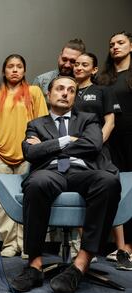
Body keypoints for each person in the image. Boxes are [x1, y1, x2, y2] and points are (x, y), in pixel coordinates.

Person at [11, 76, 122, 293]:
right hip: (51, 172)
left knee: (108, 181)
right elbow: (31, 153)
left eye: (71, 90)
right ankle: (34, 266)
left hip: (83, 171)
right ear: (49, 93)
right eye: (60, 89)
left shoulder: (88, 118)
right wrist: (66, 141)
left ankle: (80, 265)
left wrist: (47, 146)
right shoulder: (35, 123)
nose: (65, 93)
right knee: (36, 183)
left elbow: (94, 144)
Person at [0, 54, 48, 257]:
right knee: (2, 199)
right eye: (10, 66)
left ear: (24, 70)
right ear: (4, 71)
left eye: (19, 66)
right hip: (0, 151)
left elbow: (43, 122)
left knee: (28, 197)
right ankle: (9, 243)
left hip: (28, 153)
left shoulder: (34, 92)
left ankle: (26, 244)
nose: (14, 70)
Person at [72, 52, 119, 262]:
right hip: (71, 152)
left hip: (98, 151)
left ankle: (96, 248)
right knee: (75, 192)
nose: (78, 67)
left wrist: (95, 142)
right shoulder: (68, 91)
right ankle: (85, 249)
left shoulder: (103, 91)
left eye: (84, 65)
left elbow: (110, 122)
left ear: (94, 69)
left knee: (103, 190)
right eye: (76, 64)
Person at [98, 31, 132, 270]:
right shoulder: (104, 78)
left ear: (131, 46)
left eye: (120, 43)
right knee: (119, 188)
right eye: (111, 44)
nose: (115, 47)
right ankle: (123, 246)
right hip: (112, 141)